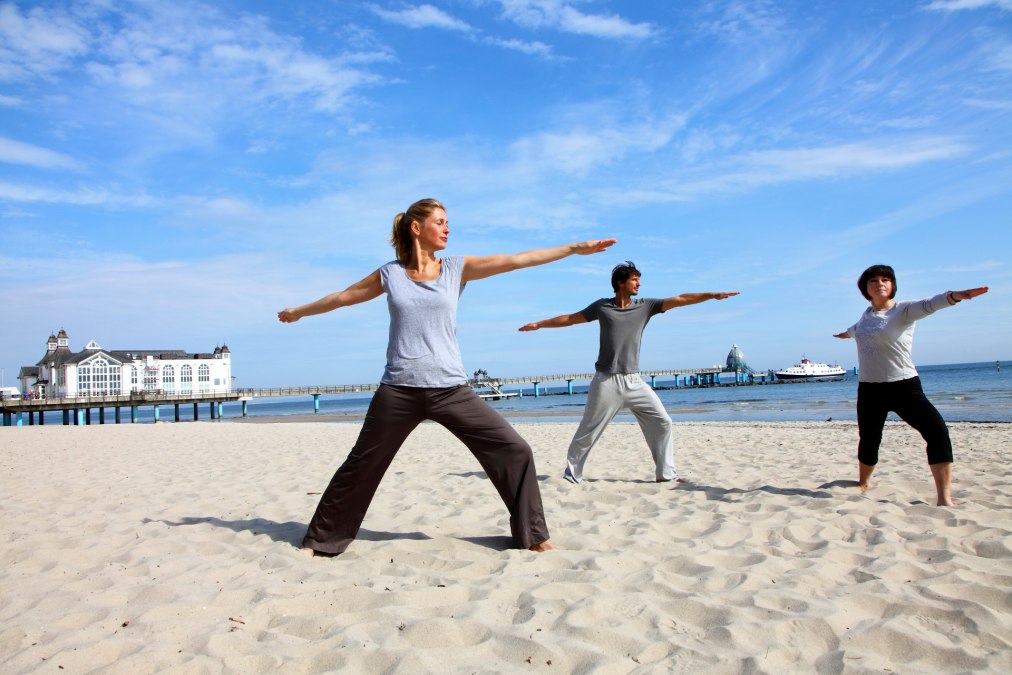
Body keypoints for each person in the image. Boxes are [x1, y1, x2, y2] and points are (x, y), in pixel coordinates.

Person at [278, 198, 616, 556]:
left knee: (515, 450)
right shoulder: (390, 274)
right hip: (398, 389)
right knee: (362, 463)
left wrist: (574, 249)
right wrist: (300, 312)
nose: (447, 228)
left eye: (447, 222)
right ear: (416, 227)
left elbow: (517, 260)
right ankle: (321, 540)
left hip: (450, 389)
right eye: (440, 222)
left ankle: (532, 535)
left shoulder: (457, 268)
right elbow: (344, 297)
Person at [519, 261, 739, 484]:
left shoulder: (646, 306)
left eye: (638, 280)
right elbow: (570, 318)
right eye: (634, 280)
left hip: (634, 381)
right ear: (620, 283)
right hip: (606, 381)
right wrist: (539, 324)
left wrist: (712, 295)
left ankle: (666, 474)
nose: (639, 284)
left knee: (663, 422)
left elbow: (681, 299)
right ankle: (572, 474)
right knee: (589, 430)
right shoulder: (602, 307)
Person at [833, 264, 988, 506]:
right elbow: (855, 331)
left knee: (937, 432)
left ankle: (944, 498)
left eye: (886, 279)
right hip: (870, 389)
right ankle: (863, 483)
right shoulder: (864, 317)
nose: (880, 283)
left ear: (892, 285)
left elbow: (930, 304)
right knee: (869, 438)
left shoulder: (904, 311)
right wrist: (845, 334)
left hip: (904, 387)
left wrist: (954, 297)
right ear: (866, 288)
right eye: (873, 281)